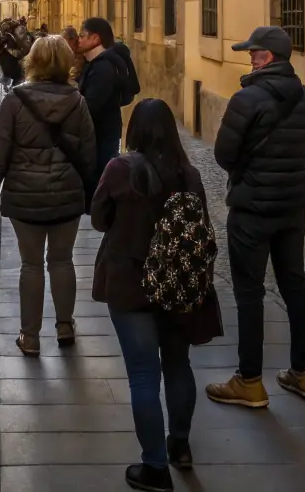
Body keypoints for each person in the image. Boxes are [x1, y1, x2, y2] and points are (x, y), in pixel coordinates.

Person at [93, 100, 222, 492]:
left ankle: (155, 468)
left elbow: (98, 218)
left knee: (143, 376)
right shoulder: (189, 174)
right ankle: (179, 445)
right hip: (177, 285)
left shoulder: (120, 170)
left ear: (134, 131)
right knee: (178, 366)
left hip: (131, 285)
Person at [205, 26, 305, 410]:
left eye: (254, 53)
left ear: (268, 57)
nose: (250, 58)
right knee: (295, 286)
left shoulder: (247, 99)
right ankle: (303, 373)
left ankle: (249, 381)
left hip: (252, 208)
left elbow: (224, 154)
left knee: (249, 294)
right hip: (292, 208)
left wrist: (252, 168)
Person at [0, 35, 95, 355]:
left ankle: (30, 336)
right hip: (66, 195)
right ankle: (64, 326)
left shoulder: (15, 100)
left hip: (24, 195)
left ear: (32, 61)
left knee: (30, 265)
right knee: (62, 260)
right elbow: (87, 154)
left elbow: (0, 150)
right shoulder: (78, 101)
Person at [77, 17, 126, 186]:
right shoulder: (95, 64)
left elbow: (91, 106)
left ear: (95, 38)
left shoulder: (103, 68)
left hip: (101, 137)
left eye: (83, 35)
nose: (79, 39)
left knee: (100, 183)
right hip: (99, 135)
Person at [0, 19, 26, 91]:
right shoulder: (9, 36)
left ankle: (8, 87)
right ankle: (12, 89)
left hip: (3, 61)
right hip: (9, 61)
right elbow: (12, 51)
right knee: (19, 76)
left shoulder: (3, 36)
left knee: (15, 76)